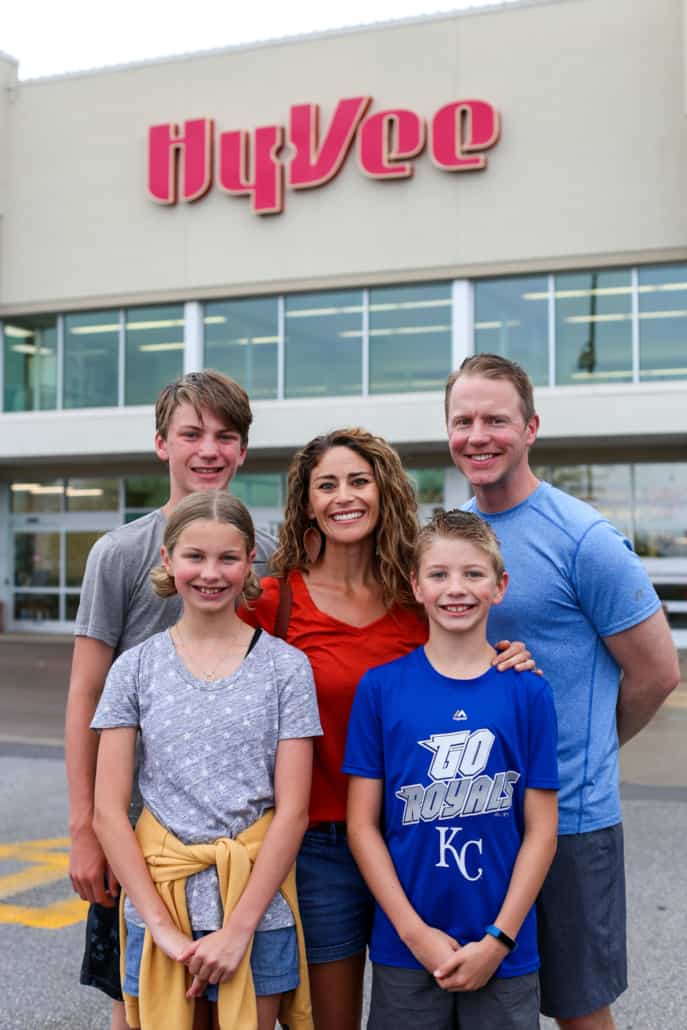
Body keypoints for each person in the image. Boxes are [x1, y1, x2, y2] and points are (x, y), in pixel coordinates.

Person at [239, 427, 536, 1030]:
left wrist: (509, 657)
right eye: (326, 484)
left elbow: (462, 661)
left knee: (437, 999)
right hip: (323, 843)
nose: (343, 496)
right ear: (307, 501)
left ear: (384, 491)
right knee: (337, 1020)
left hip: (426, 833)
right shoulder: (273, 602)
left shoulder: (417, 594)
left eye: (358, 480)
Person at [444, 354, 680, 1030]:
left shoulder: (584, 539)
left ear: (530, 428)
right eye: (463, 421)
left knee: (578, 1010)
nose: (478, 435)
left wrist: (587, 749)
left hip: (570, 817)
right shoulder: (458, 534)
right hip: (478, 815)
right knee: (488, 1002)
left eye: (495, 419)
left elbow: (657, 672)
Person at [65, 370, 276, 1030]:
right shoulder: (119, 554)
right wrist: (85, 828)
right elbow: (86, 692)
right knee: (137, 1004)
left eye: (225, 436)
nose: (208, 449)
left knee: (229, 1003)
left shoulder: (267, 556)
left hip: (238, 832)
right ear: (162, 444)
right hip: (133, 831)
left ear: (242, 451)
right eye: (191, 434)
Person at [91, 490, 322, 1030]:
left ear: (249, 565)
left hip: (254, 910)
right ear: (169, 562)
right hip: (159, 904)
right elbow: (108, 811)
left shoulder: (287, 669)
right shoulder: (134, 668)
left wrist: (238, 930)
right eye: (194, 556)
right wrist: (162, 928)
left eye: (228, 558)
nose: (210, 573)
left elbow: (293, 812)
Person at [344, 509, 559, 1030]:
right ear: (416, 586)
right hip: (406, 946)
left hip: (503, 949)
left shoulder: (528, 692)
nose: (455, 589)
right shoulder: (380, 689)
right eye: (439, 574)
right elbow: (362, 826)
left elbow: (541, 830)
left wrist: (499, 939)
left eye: (473, 574)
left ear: (499, 586)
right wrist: (413, 932)